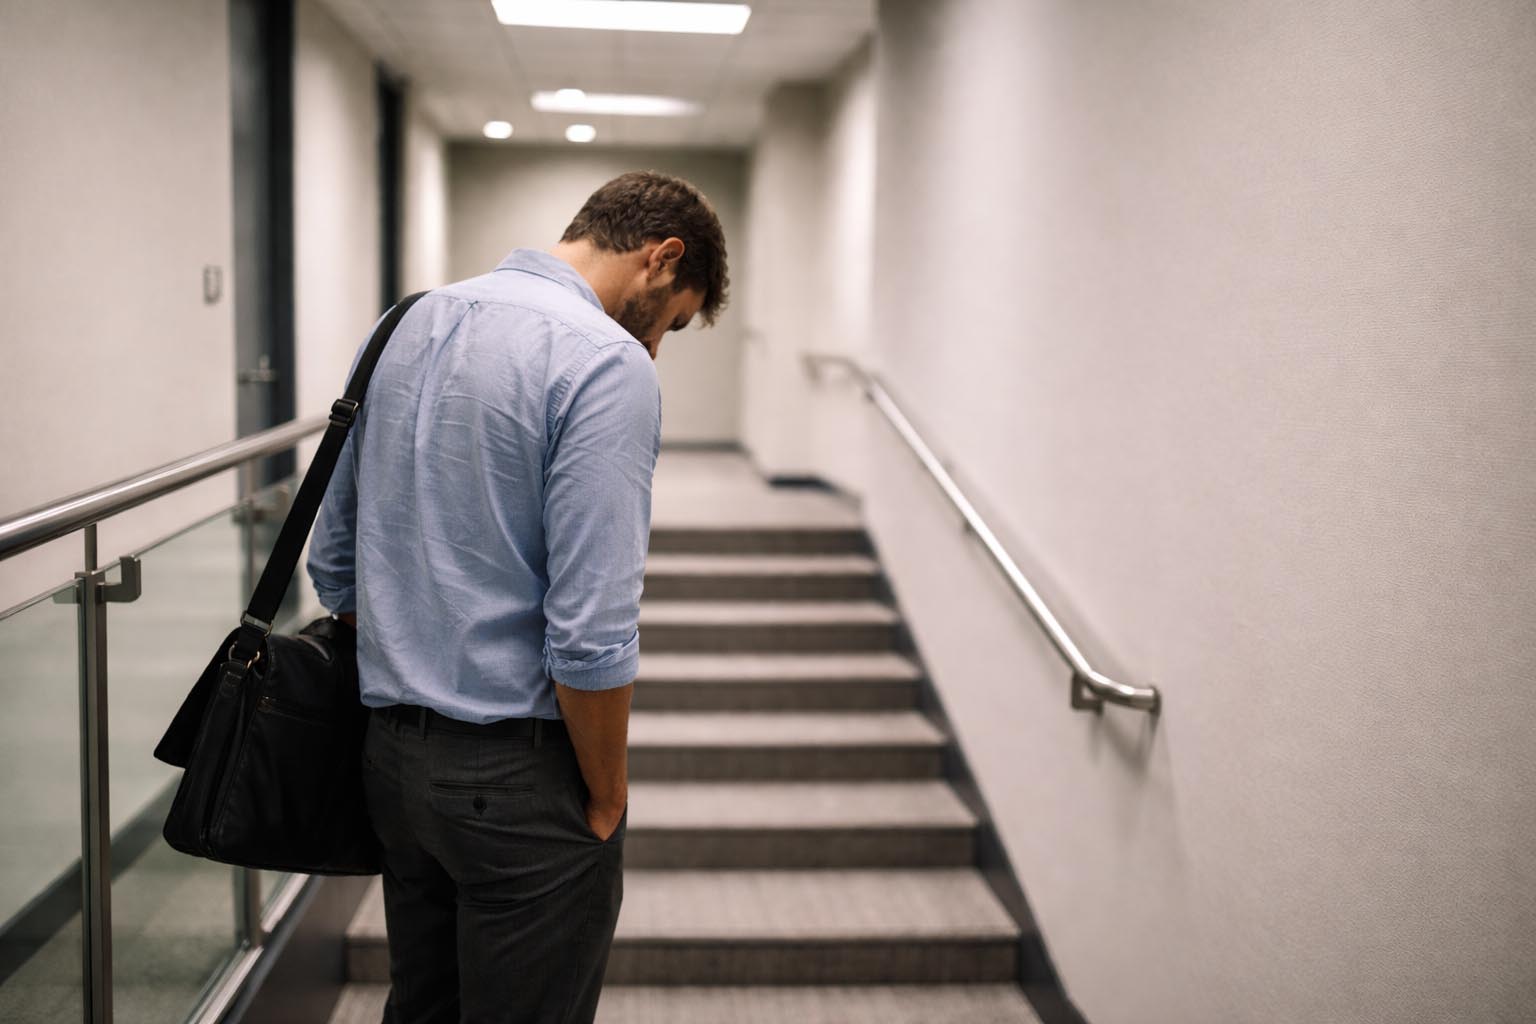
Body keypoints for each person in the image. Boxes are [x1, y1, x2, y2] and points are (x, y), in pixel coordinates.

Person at [305, 170, 729, 1024]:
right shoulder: (606, 364)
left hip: (390, 764)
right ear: (661, 258)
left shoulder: (404, 323)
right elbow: (591, 635)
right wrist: (606, 792)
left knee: (422, 1005)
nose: (655, 347)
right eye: (671, 321)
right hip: (520, 779)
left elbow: (336, 560)